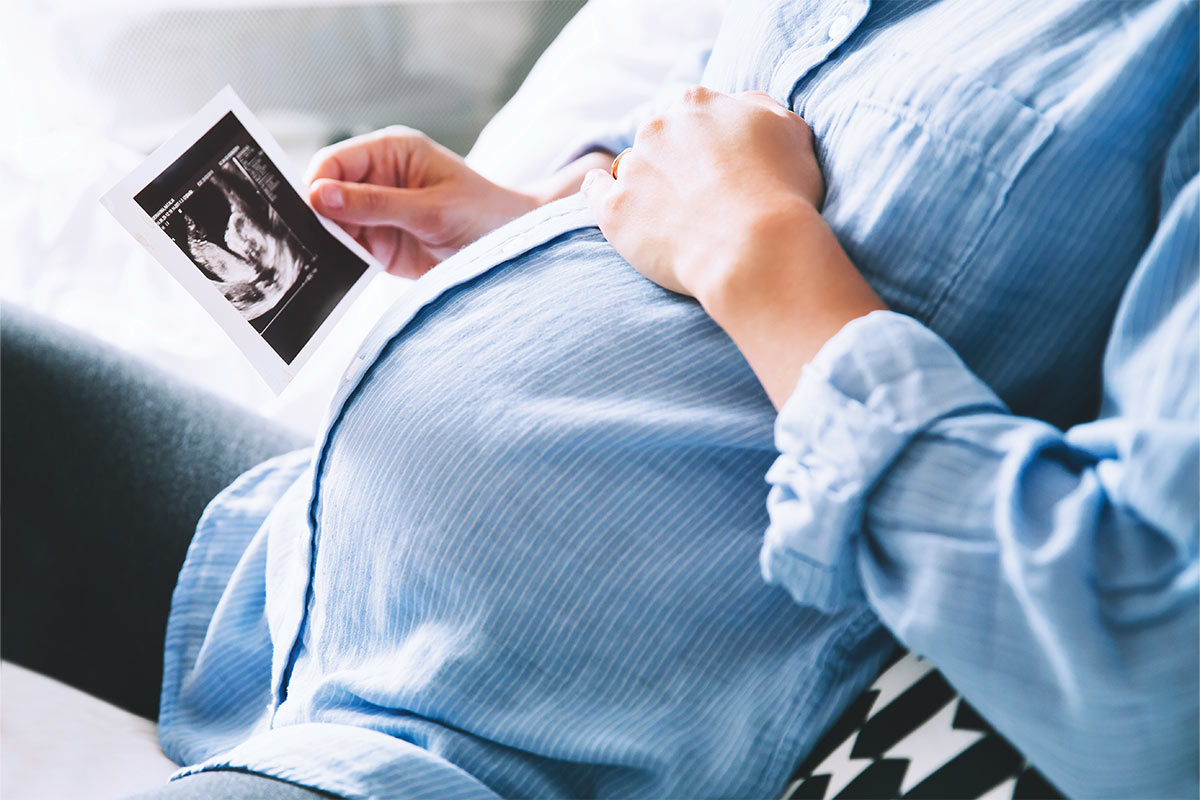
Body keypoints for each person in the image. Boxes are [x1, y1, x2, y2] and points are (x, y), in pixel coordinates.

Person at [2, 1, 1195, 799]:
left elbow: (1146, 664)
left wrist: (755, 239)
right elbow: (758, 236)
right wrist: (543, 230)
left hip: (483, 741)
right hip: (290, 572)